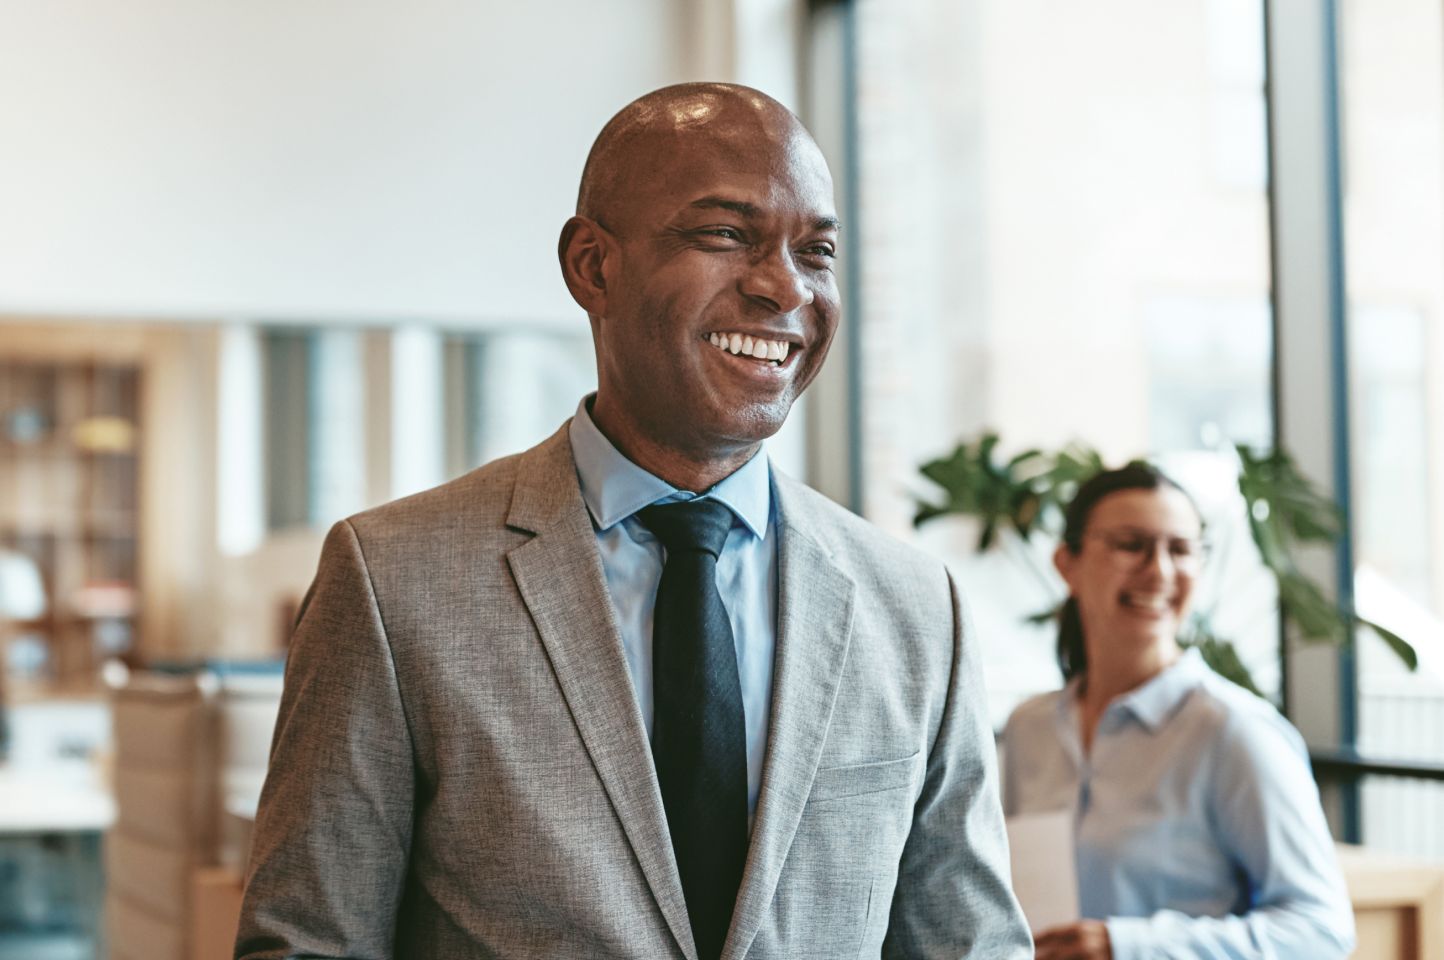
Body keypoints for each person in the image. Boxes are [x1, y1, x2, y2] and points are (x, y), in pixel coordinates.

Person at [235, 83, 1030, 960]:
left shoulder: (917, 608)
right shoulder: (393, 581)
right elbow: (309, 942)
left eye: (817, 250)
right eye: (726, 235)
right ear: (592, 266)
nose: (783, 287)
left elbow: (972, 945)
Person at [1002, 464, 1356, 960]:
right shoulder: (1028, 728)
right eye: (1131, 544)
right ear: (1067, 563)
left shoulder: (1234, 732)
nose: (1160, 571)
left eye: (1181, 549)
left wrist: (1126, 947)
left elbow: (1320, 930)